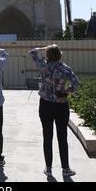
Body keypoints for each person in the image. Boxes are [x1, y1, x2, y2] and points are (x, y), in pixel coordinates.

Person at [29, 44, 80, 177]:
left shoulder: (44, 66)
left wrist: (43, 48)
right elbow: (76, 83)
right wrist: (66, 91)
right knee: (62, 137)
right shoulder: (65, 68)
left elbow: (32, 53)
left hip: (45, 104)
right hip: (61, 104)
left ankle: (48, 168)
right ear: (59, 55)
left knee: (47, 136)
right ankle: (65, 168)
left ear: (48, 55)